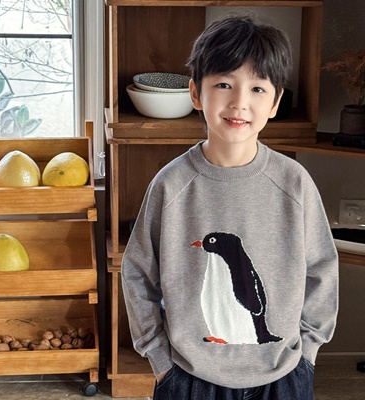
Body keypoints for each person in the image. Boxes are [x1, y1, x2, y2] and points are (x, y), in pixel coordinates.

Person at [121, 15, 338, 400]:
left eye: (257, 88)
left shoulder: (294, 183)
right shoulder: (171, 185)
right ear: (195, 93)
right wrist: (159, 358)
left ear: (275, 102)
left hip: (283, 375)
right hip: (189, 377)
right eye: (224, 84)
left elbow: (322, 269)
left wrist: (307, 353)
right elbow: (138, 272)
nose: (240, 102)